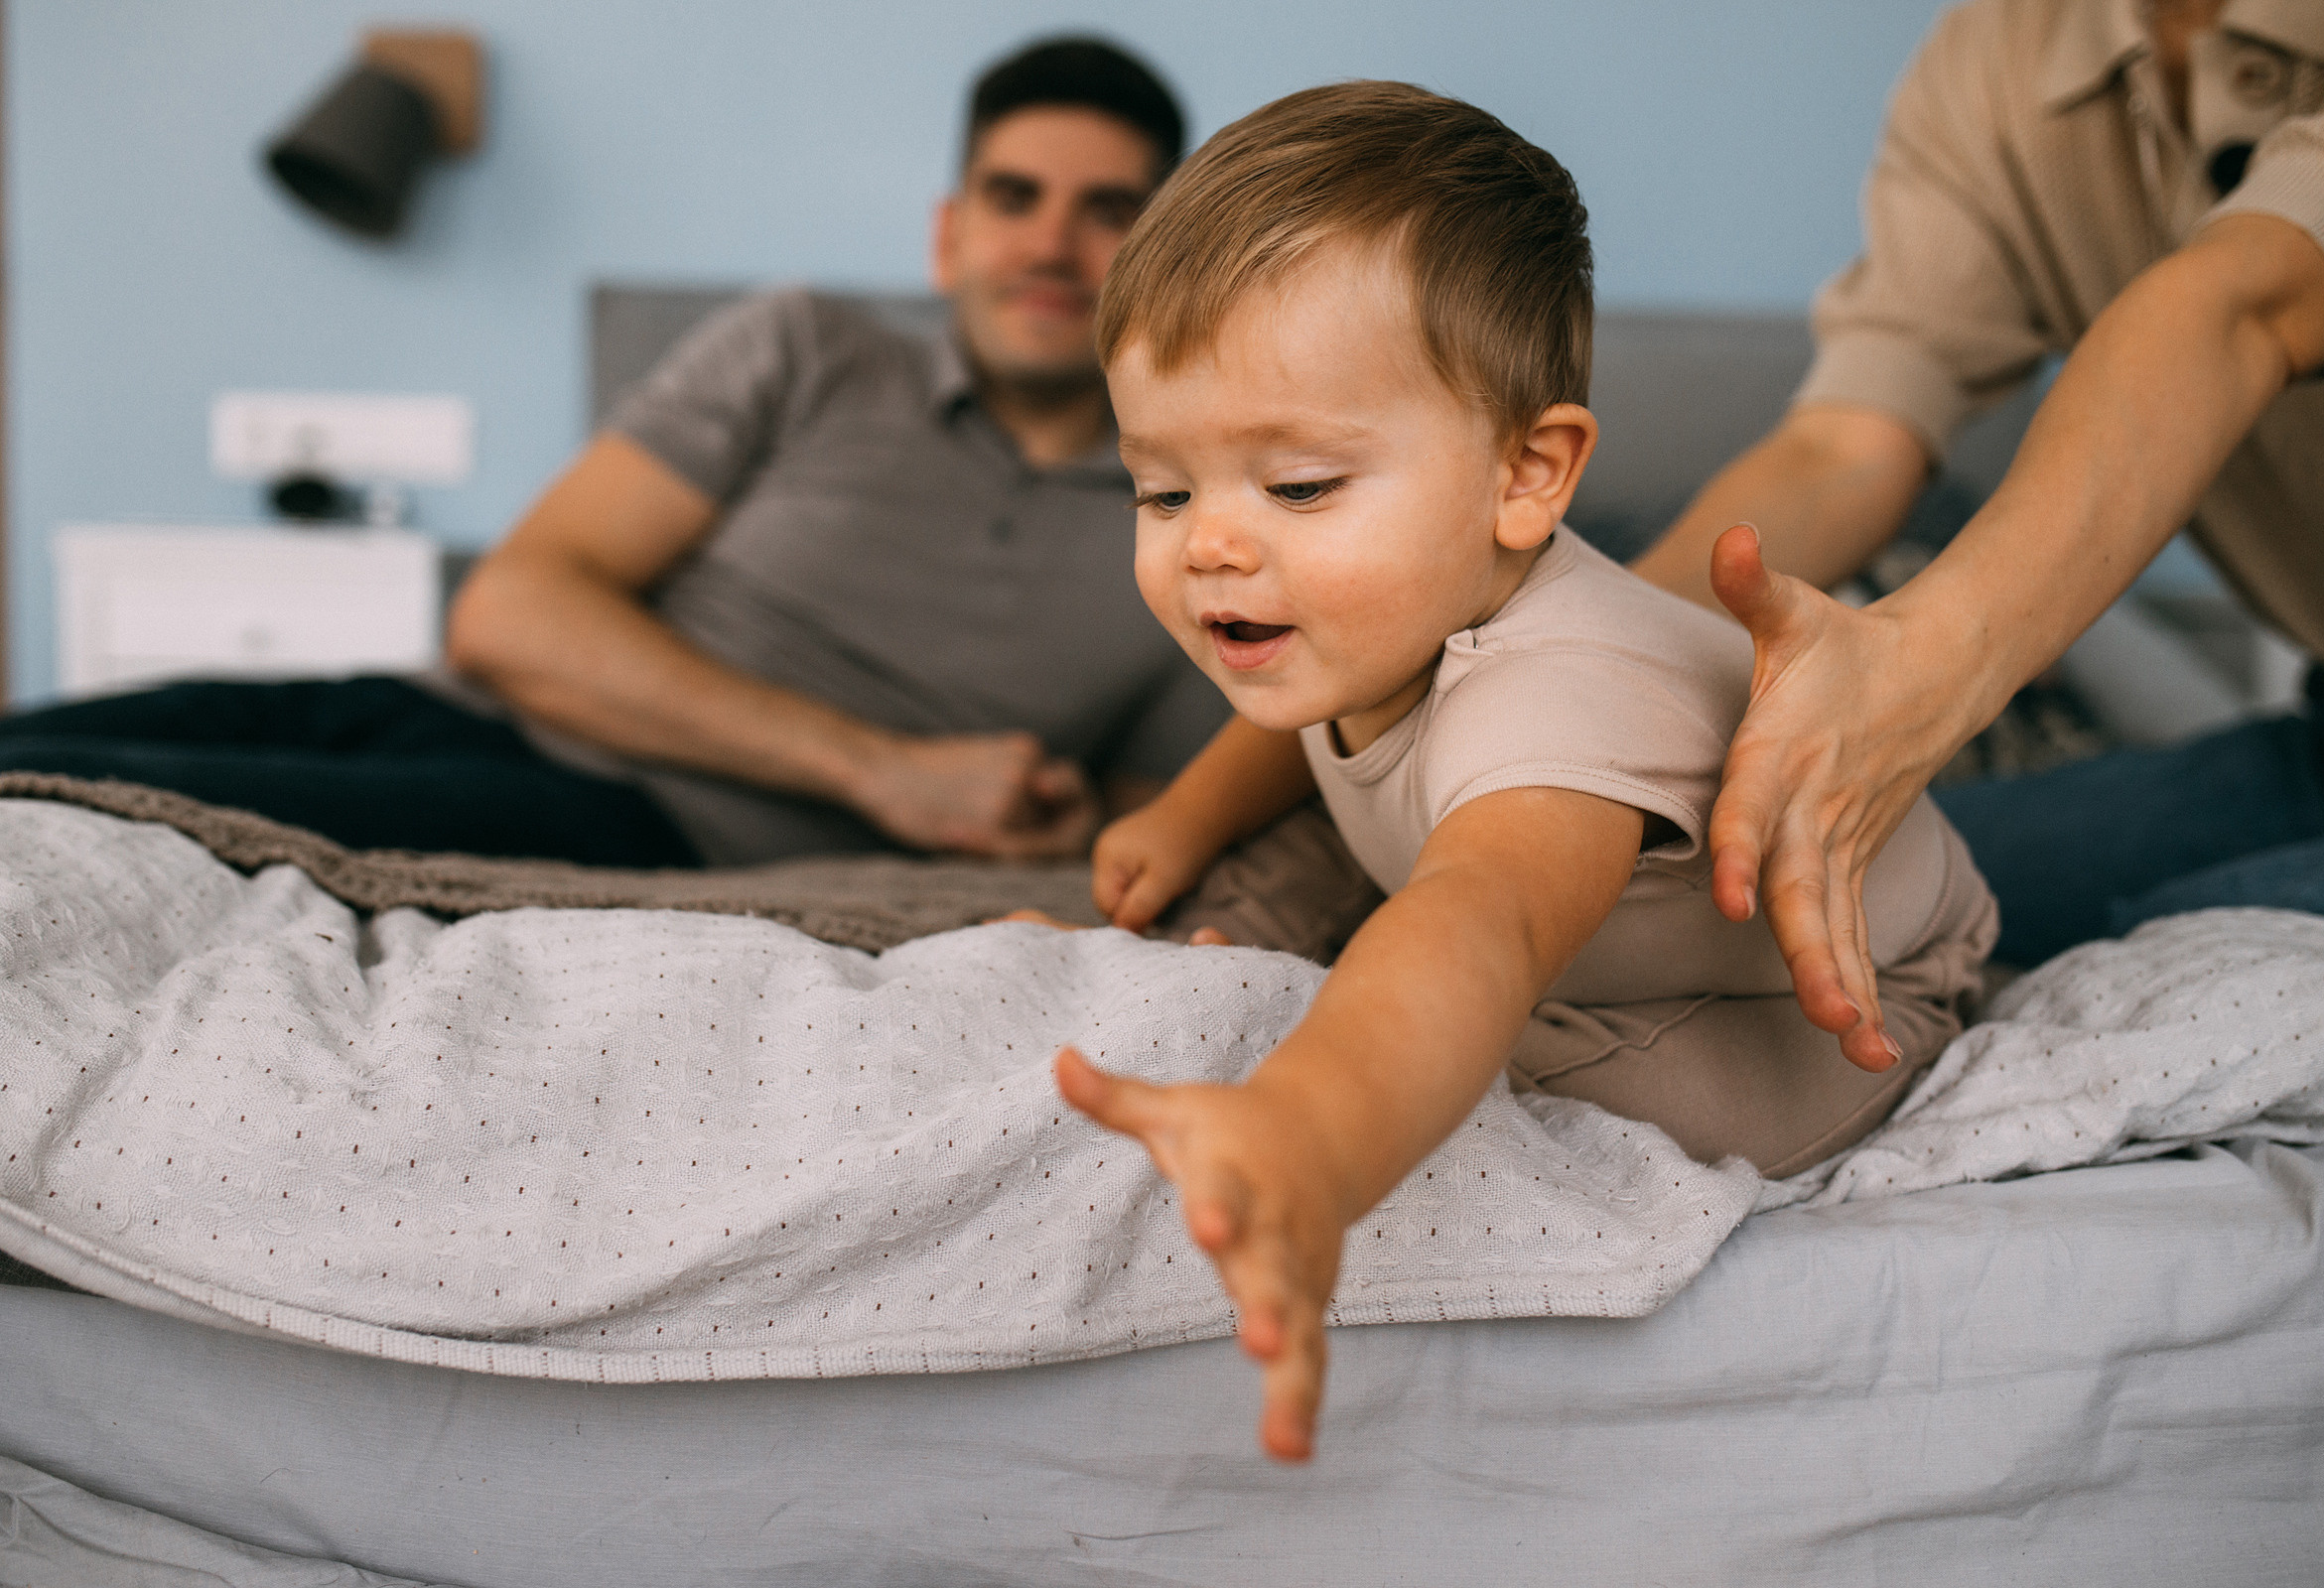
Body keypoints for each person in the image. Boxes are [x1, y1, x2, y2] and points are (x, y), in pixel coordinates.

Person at [1020, 82, 1996, 1463]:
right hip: (1600, 906)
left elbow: (1479, 923)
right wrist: (1185, 814)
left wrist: (1309, 1130)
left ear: (1528, 476)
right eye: (1165, 489)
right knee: (1338, 927)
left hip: (1843, 985)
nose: (1212, 549)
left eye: (1297, 486)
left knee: (1511, 1077)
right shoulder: (1360, 609)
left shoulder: (1560, 696)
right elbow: (1287, 718)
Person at [0, 37, 1225, 868]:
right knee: (30, 753)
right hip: (432, 710)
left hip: (635, 821)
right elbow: (509, 615)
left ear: (1165, 248)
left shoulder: (1199, 512)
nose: (1053, 246)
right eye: (1013, 199)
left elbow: (1183, 800)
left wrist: (1052, 810)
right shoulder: (806, 343)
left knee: (57, 819)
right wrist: (882, 771)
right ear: (949, 234)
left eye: (1109, 210)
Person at [1628, 0, 2324, 1062]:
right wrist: (1579, 661)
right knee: (1818, 912)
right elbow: (1842, 448)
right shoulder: (2001, 55)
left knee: (2150, 969)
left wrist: (1919, 670)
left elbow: (2248, 306)